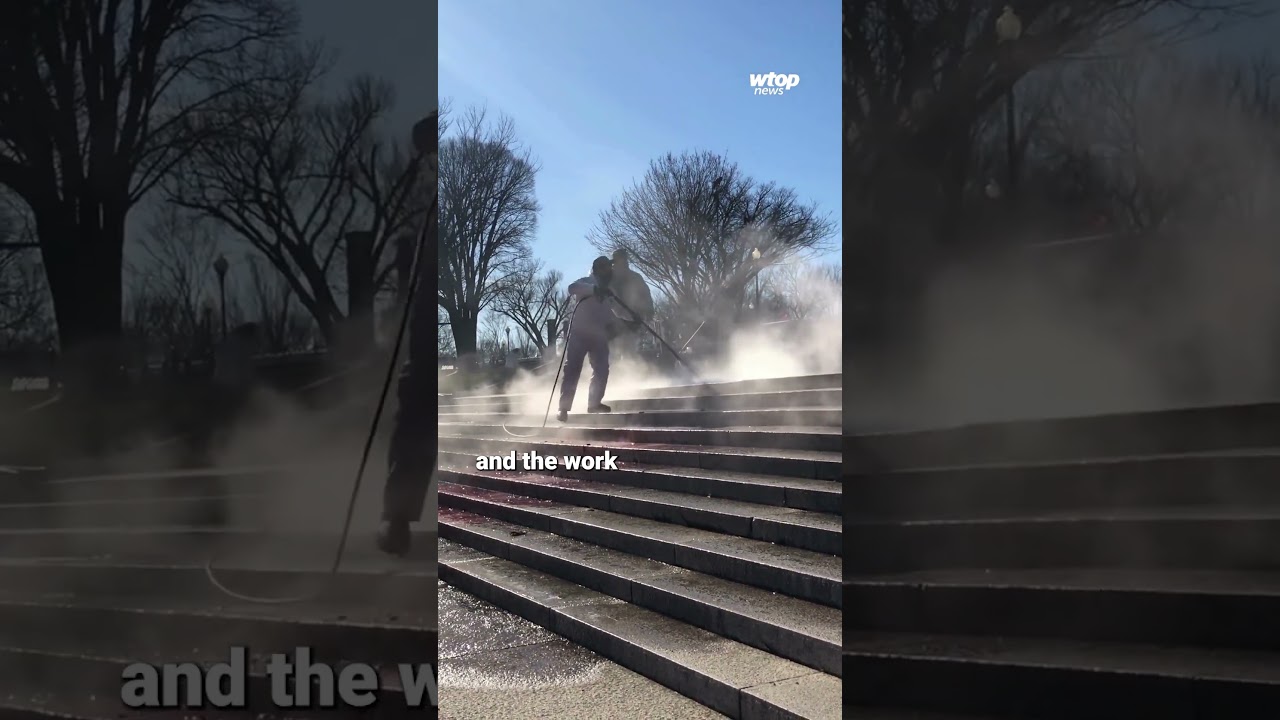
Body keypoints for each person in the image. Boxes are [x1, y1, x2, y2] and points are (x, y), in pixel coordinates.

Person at [376, 113, 438, 557]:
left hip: (428, 318)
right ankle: (397, 518)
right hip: (422, 317)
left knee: (417, 414)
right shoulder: (426, 197)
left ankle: (398, 518)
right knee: (417, 415)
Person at [557, 256, 618, 422]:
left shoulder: (610, 291)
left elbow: (609, 312)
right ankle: (563, 408)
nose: (610, 270)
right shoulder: (586, 281)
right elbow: (572, 288)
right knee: (573, 369)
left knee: (602, 368)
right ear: (598, 269)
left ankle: (594, 403)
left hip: (598, 335)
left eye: (610, 267)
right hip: (579, 333)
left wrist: (614, 324)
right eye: (606, 267)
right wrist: (594, 290)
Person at [609, 249, 654, 359]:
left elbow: (646, 294)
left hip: (633, 319)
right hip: (611, 320)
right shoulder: (608, 277)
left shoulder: (635, 277)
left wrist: (649, 311)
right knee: (611, 352)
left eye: (624, 259)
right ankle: (611, 373)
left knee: (629, 350)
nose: (623, 262)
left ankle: (628, 372)